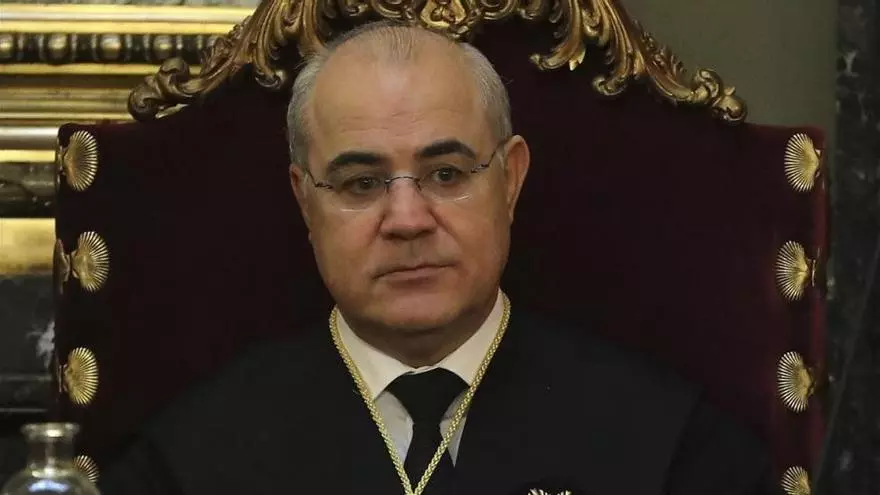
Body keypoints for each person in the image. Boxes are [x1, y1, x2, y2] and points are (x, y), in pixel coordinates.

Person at [99, 22, 773, 495]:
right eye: (361, 183)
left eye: (447, 174)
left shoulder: (672, 450)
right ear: (305, 201)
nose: (407, 220)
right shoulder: (189, 462)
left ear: (510, 180)